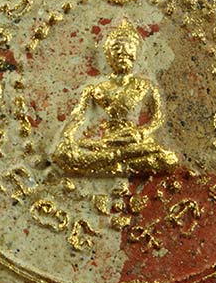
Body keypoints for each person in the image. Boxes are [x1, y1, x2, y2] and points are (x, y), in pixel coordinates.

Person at [53, 19, 178, 176]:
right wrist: (67, 137)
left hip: (134, 142)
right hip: (104, 143)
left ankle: (109, 165)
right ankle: (118, 163)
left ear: (136, 52)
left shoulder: (146, 86)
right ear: (108, 55)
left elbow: (158, 118)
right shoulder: (96, 89)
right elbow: (78, 117)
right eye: (116, 48)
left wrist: (141, 133)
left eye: (128, 47)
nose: (122, 52)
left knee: (168, 159)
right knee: (63, 155)